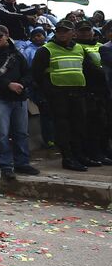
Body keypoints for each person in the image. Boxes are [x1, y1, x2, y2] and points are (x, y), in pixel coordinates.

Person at [32, 20, 103, 170]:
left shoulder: (78, 49)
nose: (62, 34)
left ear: (73, 33)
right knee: (63, 128)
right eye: (59, 31)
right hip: (58, 94)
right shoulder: (46, 50)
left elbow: (90, 69)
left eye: (65, 31)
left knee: (78, 126)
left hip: (78, 93)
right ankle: (68, 158)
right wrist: (47, 92)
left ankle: (79, 156)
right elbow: (36, 75)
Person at [0, 24, 39, 180]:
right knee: (1, 135)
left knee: (22, 133)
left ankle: (22, 163)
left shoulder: (17, 54)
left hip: (19, 98)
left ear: (7, 36)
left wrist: (22, 85)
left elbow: (29, 73)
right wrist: (8, 85)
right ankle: (5, 166)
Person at [75, 20, 112, 164]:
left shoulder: (100, 46)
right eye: (82, 31)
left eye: (87, 30)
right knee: (92, 125)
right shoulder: (76, 47)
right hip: (88, 91)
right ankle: (94, 153)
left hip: (104, 90)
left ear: (92, 31)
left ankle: (105, 150)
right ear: (76, 32)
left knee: (105, 123)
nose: (85, 33)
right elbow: (91, 69)